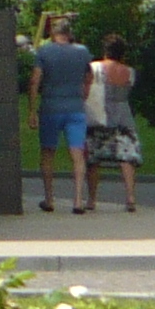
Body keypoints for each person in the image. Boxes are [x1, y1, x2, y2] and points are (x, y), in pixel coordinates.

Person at [30, 14, 93, 214]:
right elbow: (89, 76)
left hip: (51, 107)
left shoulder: (44, 51)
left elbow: (35, 80)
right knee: (77, 153)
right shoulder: (82, 51)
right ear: (69, 33)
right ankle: (78, 200)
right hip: (75, 108)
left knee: (48, 152)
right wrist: (83, 94)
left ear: (52, 33)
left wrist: (32, 110)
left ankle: (49, 199)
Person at [90, 32, 143, 214]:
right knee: (126, 157)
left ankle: (91, 199)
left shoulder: (95, 68)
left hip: (101, 114)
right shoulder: (130, 72)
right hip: (124, 116)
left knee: (94, 158)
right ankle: (130, 197)